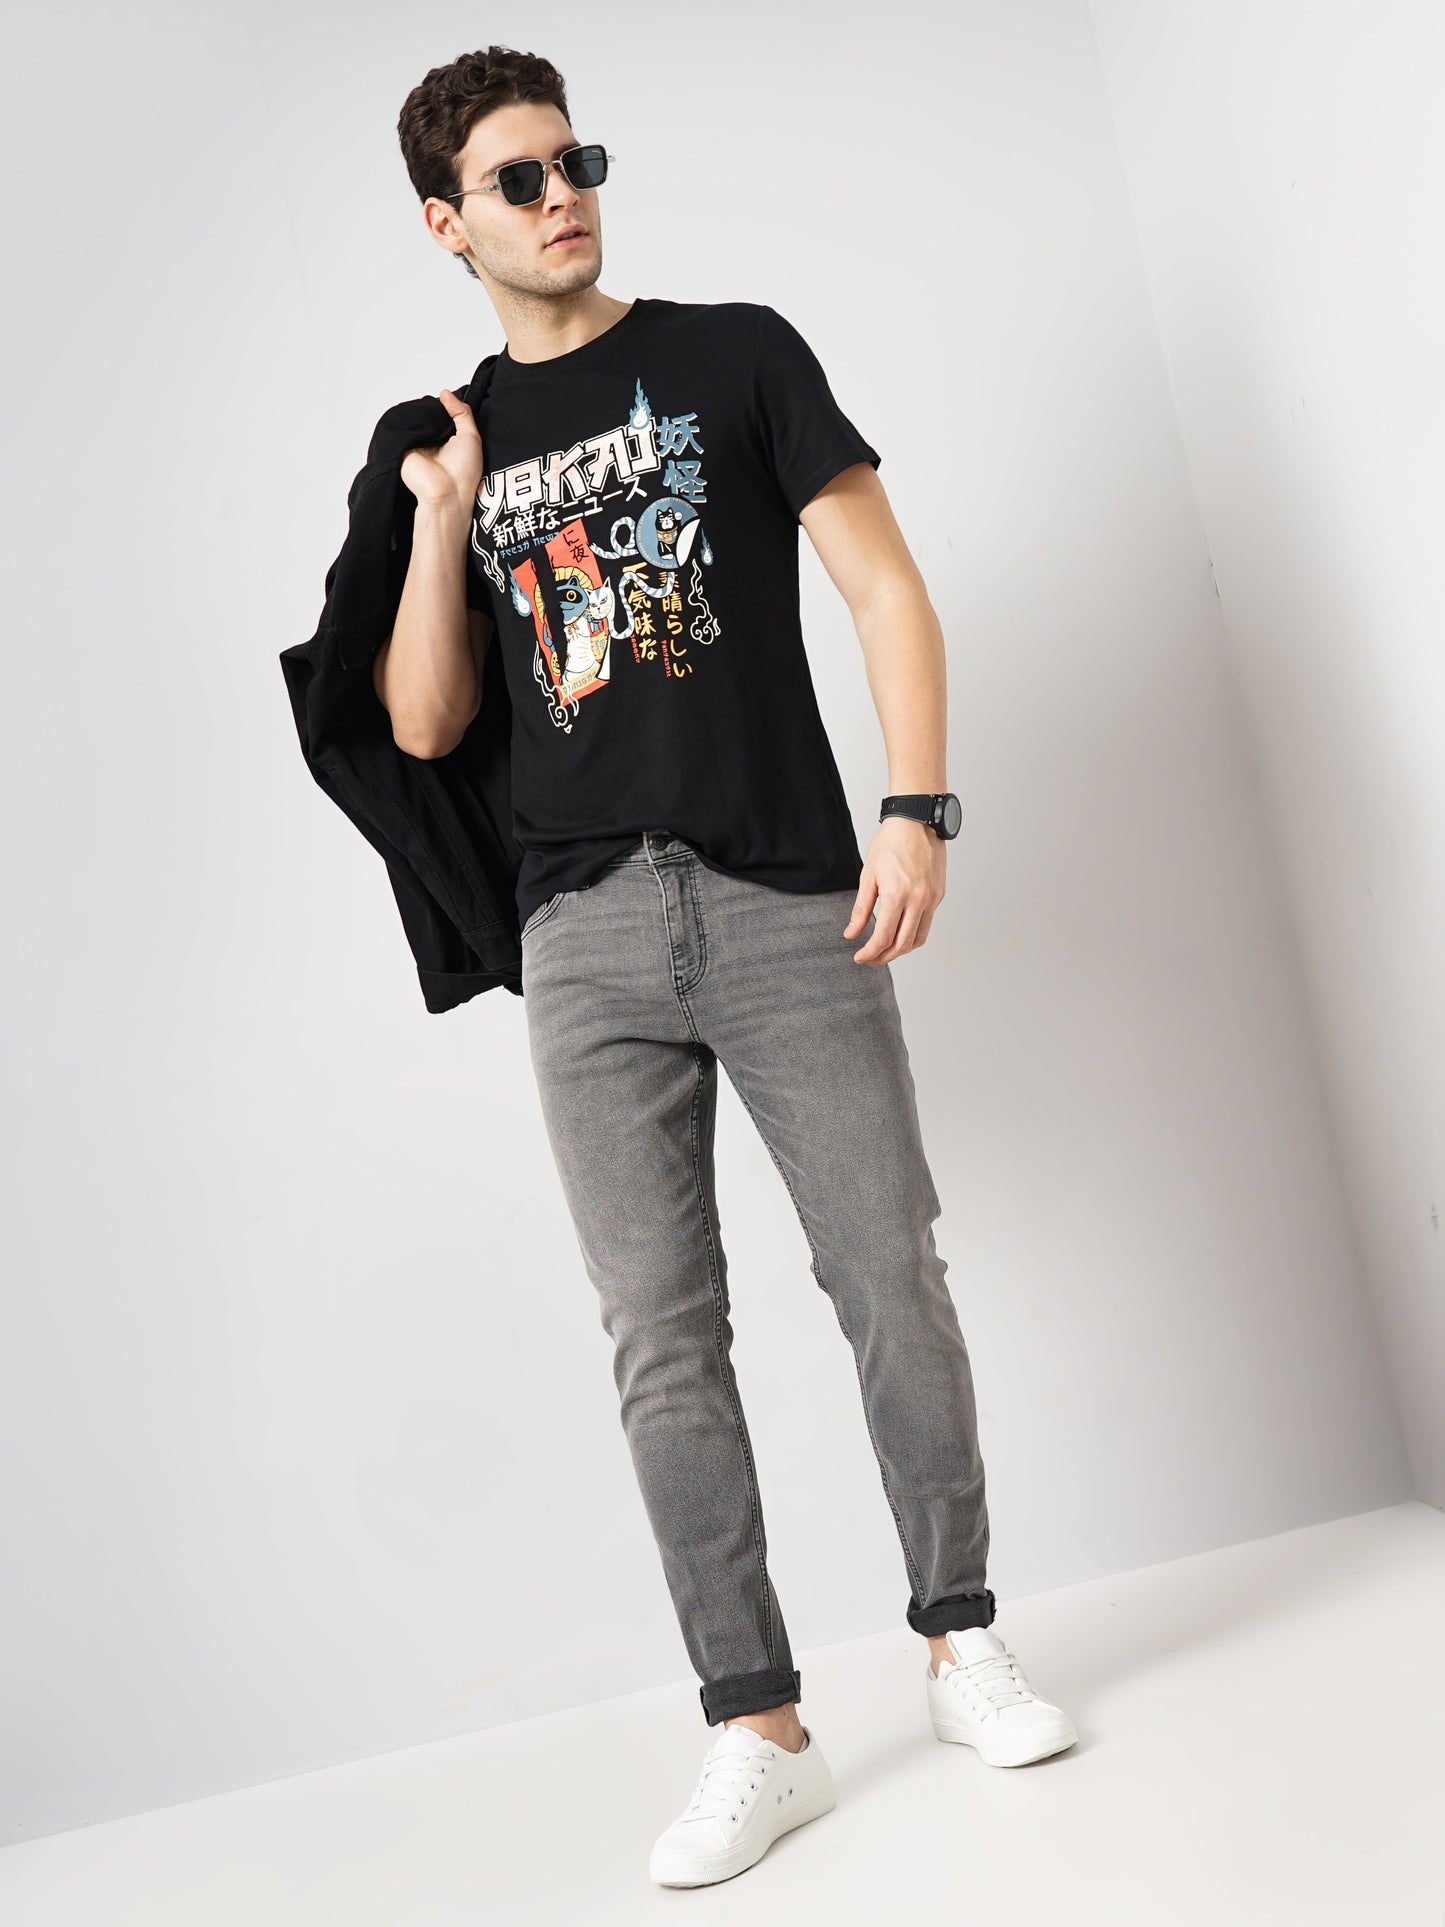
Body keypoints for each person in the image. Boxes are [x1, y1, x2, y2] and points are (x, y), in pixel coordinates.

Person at [383, 43, 1077, 1890]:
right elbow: (426, 720)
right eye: (517, 180)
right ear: (447, 224)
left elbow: (883, 583)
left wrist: (915, 805)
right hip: (582, 934)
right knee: (661, 1337)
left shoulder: (734, 355)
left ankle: (959, 1638)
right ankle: (755, 1728)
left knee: (885, 1271)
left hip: (779, 896)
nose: (562, 197)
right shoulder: (446, 438)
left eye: (575, 162)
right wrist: (443, 515)